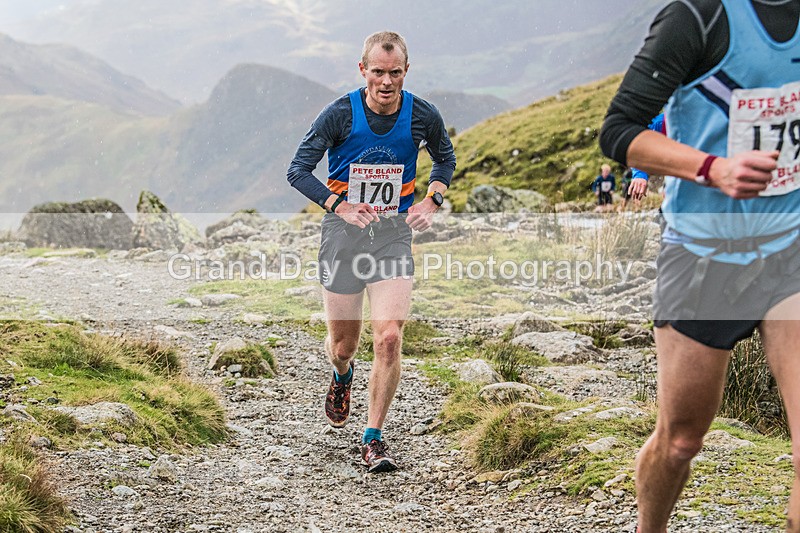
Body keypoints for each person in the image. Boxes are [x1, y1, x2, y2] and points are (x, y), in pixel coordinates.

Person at [600, 1, 800, 531]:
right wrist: (714, 169)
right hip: (704, 256)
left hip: (791, 251)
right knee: (683, 439)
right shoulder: (699, 16)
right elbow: (619, 130)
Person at [287, 31, 456, 473]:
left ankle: (373, 438)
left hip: (391, 236)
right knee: (344, 345)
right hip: (342, 238)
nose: (386, 82)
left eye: (394, 73)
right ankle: (342, 375)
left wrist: (431, 200)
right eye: (378, 72)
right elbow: (298, 170)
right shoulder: (340, 114)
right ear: (363, 70)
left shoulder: (422, 115)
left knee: (389, 337)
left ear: (406, 71)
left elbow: (445, 158)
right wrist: (340, 206)